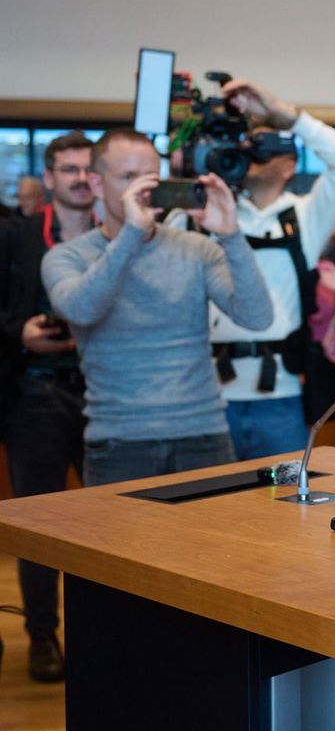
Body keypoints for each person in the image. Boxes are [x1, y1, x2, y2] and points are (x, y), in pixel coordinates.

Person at [41, 129, 272, 485]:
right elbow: (82, 310)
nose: (143, 189)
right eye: (128, 178)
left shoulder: (196, 248)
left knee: (212, 541)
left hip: (204, 435)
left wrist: (231, 234)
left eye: (150, 177)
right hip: (118, 442)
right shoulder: (67, 256)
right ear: (96, 183)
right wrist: (132, 233)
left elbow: (257, 317)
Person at [199, 79, 335, 459]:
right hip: (208, 396)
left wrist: (287, 117)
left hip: (281, 395)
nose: (254, 153)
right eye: (250, 144)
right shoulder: (205, 212)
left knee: (282, 511)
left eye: (266, 146)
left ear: (290, 165)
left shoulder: (304, 216)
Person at [0, 132, 96, 681]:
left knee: (112, 523)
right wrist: (22, 333)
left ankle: (107, 631)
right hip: (34, 393)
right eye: (69, 170)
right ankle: (42, 634)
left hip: (106, 394)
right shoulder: (17, 239)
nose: (81, 178)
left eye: (89, 169)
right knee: (41, 524)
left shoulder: (120, 236)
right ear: (51, 176)